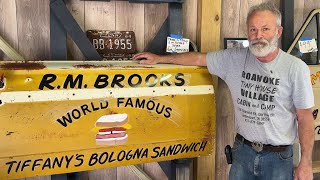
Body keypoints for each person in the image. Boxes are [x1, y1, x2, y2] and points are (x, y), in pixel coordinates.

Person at [133, 2, 314, 180]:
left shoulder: (295, 68)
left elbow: (305, 118)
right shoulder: (233, 59)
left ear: (278, 31)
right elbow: (198, 59)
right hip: (243, 152)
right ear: (247, 32)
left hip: (279, 158)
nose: (259, 35)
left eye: (265, 29)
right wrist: (160, 59)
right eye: (253, 29)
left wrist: (305, 162)